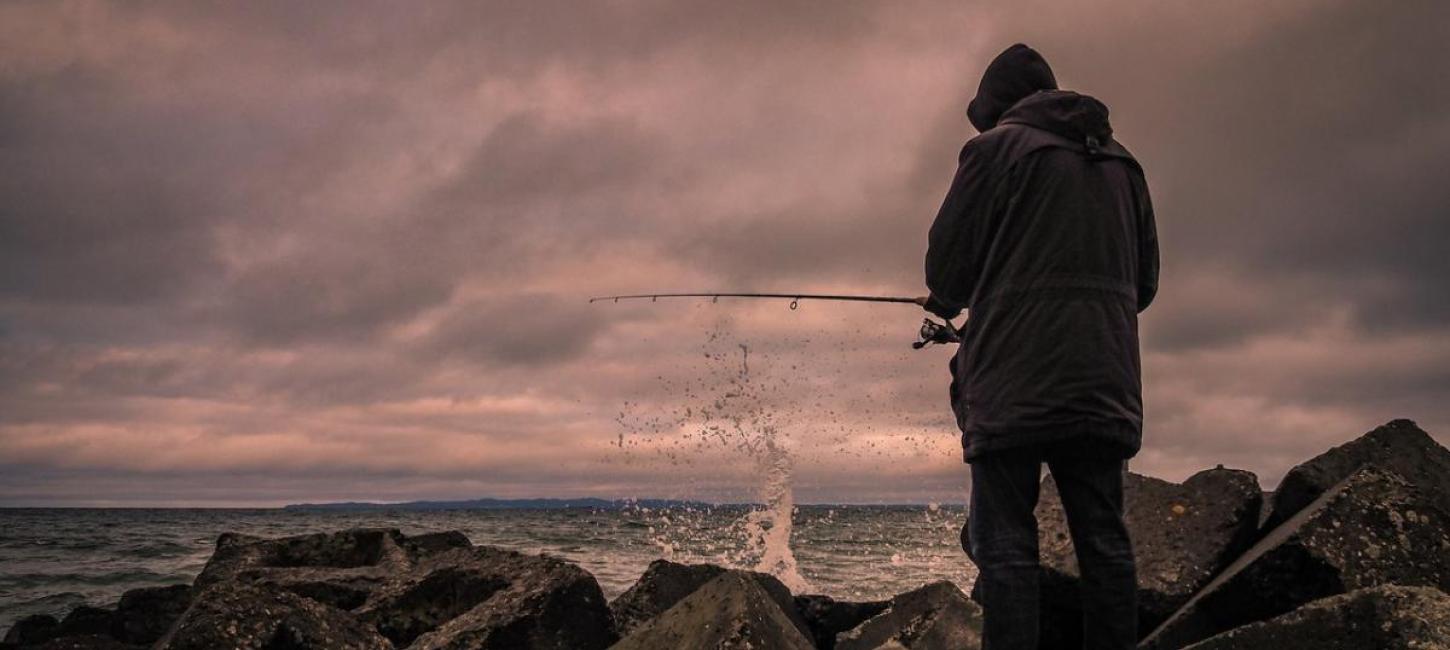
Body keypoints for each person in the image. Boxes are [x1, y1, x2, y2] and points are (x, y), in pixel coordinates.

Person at [923, 43, 1159, 649]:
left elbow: (947, 271)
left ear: (998, 108)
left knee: (1006, 548)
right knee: (1105, 544)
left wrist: (950, 305)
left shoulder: (992, 150)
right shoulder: (1123, 164)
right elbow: (1145, 284)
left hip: (1012, 382)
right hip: (1103, 381)